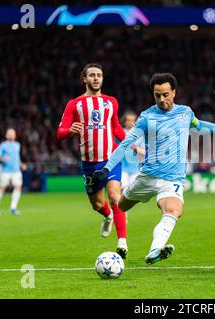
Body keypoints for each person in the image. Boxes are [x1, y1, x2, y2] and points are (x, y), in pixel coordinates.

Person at [92, 73, 215, 264]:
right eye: (157, 95)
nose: (162, 99)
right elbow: (126, 143)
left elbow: (198, 125)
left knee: (174, 209)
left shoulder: (185, 113)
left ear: (174, 93)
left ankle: (155, 250)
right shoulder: (146, 117)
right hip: (147, 177)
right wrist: (107, 168)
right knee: (121, 205)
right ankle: (112, 216)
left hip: (172, 179)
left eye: (165, 94)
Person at [57, 63, 130, 259]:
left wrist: (131, 144)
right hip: (90, 163)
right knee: (97, 204)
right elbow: (60, 132)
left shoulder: (111, 102)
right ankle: (107, 216)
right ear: (84, 79)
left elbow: (115, 128)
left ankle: (122, 241)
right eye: (92, 75)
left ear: (102, 78)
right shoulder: (74, 105)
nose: (96, 78)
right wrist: (69, 130)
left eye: (99, 75)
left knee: (115, 196)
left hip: (111, 158)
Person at [0, 128, 26, 216]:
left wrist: (21, 164)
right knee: (2, 188)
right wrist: (2, 158)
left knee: (18, 187)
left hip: (16, 170)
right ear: (6, 135)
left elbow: (17, 157)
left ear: (15, 135)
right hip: (6, 171)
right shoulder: (3, 145)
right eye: (9, 133)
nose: (11, 135)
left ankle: (13, 208)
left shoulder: (17, 145)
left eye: (13, 133)